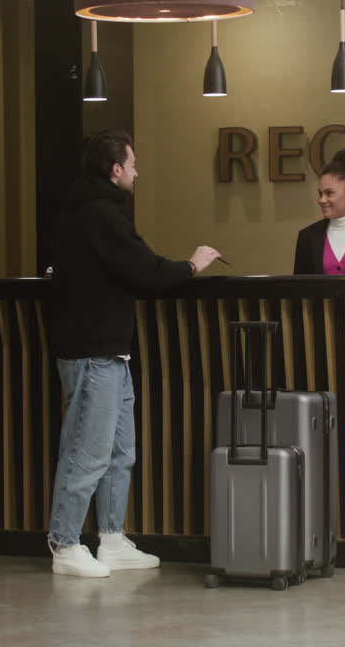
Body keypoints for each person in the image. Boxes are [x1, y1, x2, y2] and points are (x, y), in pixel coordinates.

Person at [47, 128, 221, 578]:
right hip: (93, 353)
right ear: (116, 169)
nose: (138, 172)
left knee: (120, 451)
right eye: (134, 164)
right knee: (87, 452)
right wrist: (191, 265)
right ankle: (65, 542)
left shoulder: (94, 211)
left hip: (111, 352)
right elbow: (146, 270)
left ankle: (111, 537)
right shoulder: (101, 215)